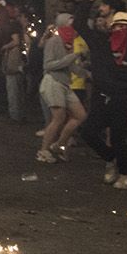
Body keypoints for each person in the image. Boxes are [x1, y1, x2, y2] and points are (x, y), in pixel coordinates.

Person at [76, 12, 127, 190]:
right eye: (117, 26)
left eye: (125, 27)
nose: (120, 30)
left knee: (118, 137)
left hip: (122, 98)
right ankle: (110, 158)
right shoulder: (101, 44)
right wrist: (89, 1)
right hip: (101, 97)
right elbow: (79, 23)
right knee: (87, 131)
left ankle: (126, 173)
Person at [36, 13, 88, 163]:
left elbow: (70, 66)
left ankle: (59, 144)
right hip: (53, 82)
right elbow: (49, 65)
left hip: (64, 83)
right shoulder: (54, 41)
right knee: (58, 118)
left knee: (80, 115)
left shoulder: (68, 43)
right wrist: (74, 56)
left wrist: (87, 74)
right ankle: (44, 151)